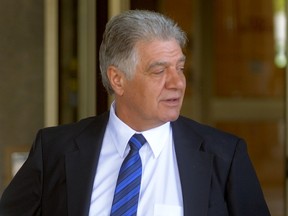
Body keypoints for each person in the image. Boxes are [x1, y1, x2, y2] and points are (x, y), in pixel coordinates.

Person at [0, 10, 270, 216]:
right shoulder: (54, 150)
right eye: (159, 70)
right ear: (117, 79)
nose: (177, 82)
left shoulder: (224, 156)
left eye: (180, 68)